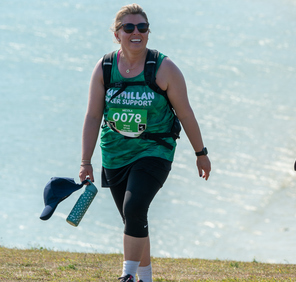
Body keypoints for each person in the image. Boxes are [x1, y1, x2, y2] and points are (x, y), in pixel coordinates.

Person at [78, 4, 211, 282]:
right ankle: (145, 278)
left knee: (134, 207)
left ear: (148, 32)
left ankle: (127, 276)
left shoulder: (164, 68)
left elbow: (185, 113)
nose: (136, 32)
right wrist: (85, 161)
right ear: (117, 34)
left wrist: (201, 153)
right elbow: (92, 116)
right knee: (133, 220)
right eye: (129, 27)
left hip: (155, 151)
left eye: (142, 27)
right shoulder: (104, 68)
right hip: (115, 154)